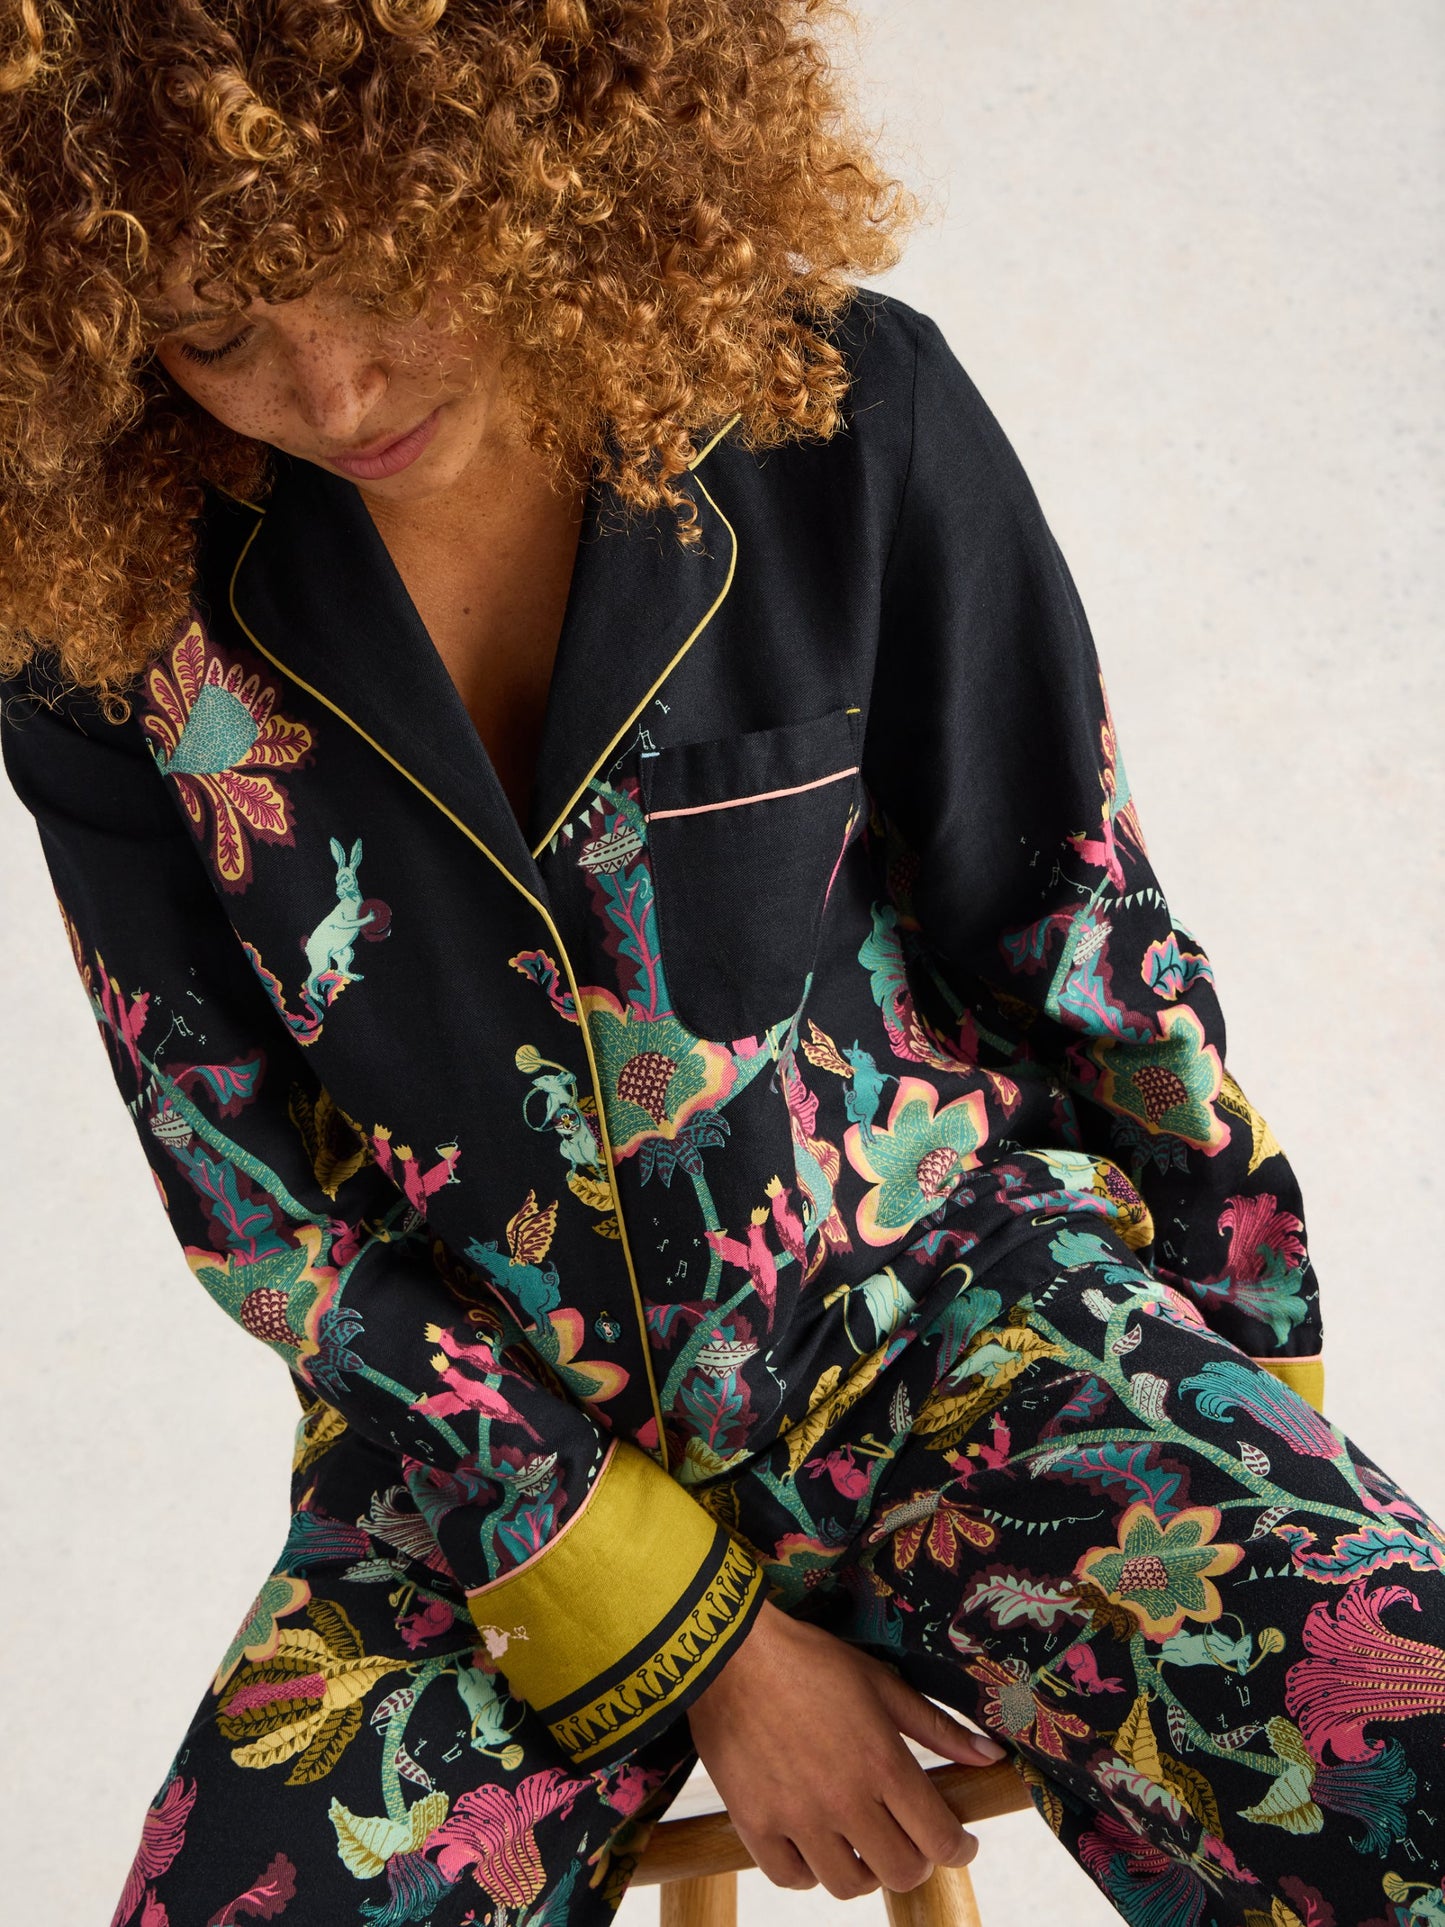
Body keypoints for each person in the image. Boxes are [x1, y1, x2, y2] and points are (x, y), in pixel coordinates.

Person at [1, 5, 1441, 1924]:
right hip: (482, 1457)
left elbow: (1072, 924)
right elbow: (251, 1194)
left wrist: (1247, 1404)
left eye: (377, 268)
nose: (330, 390)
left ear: (509, 158)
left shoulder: (841, 411)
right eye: (212, 330)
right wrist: (707, 1642)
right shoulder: (100, 619)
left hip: (956, 1322)